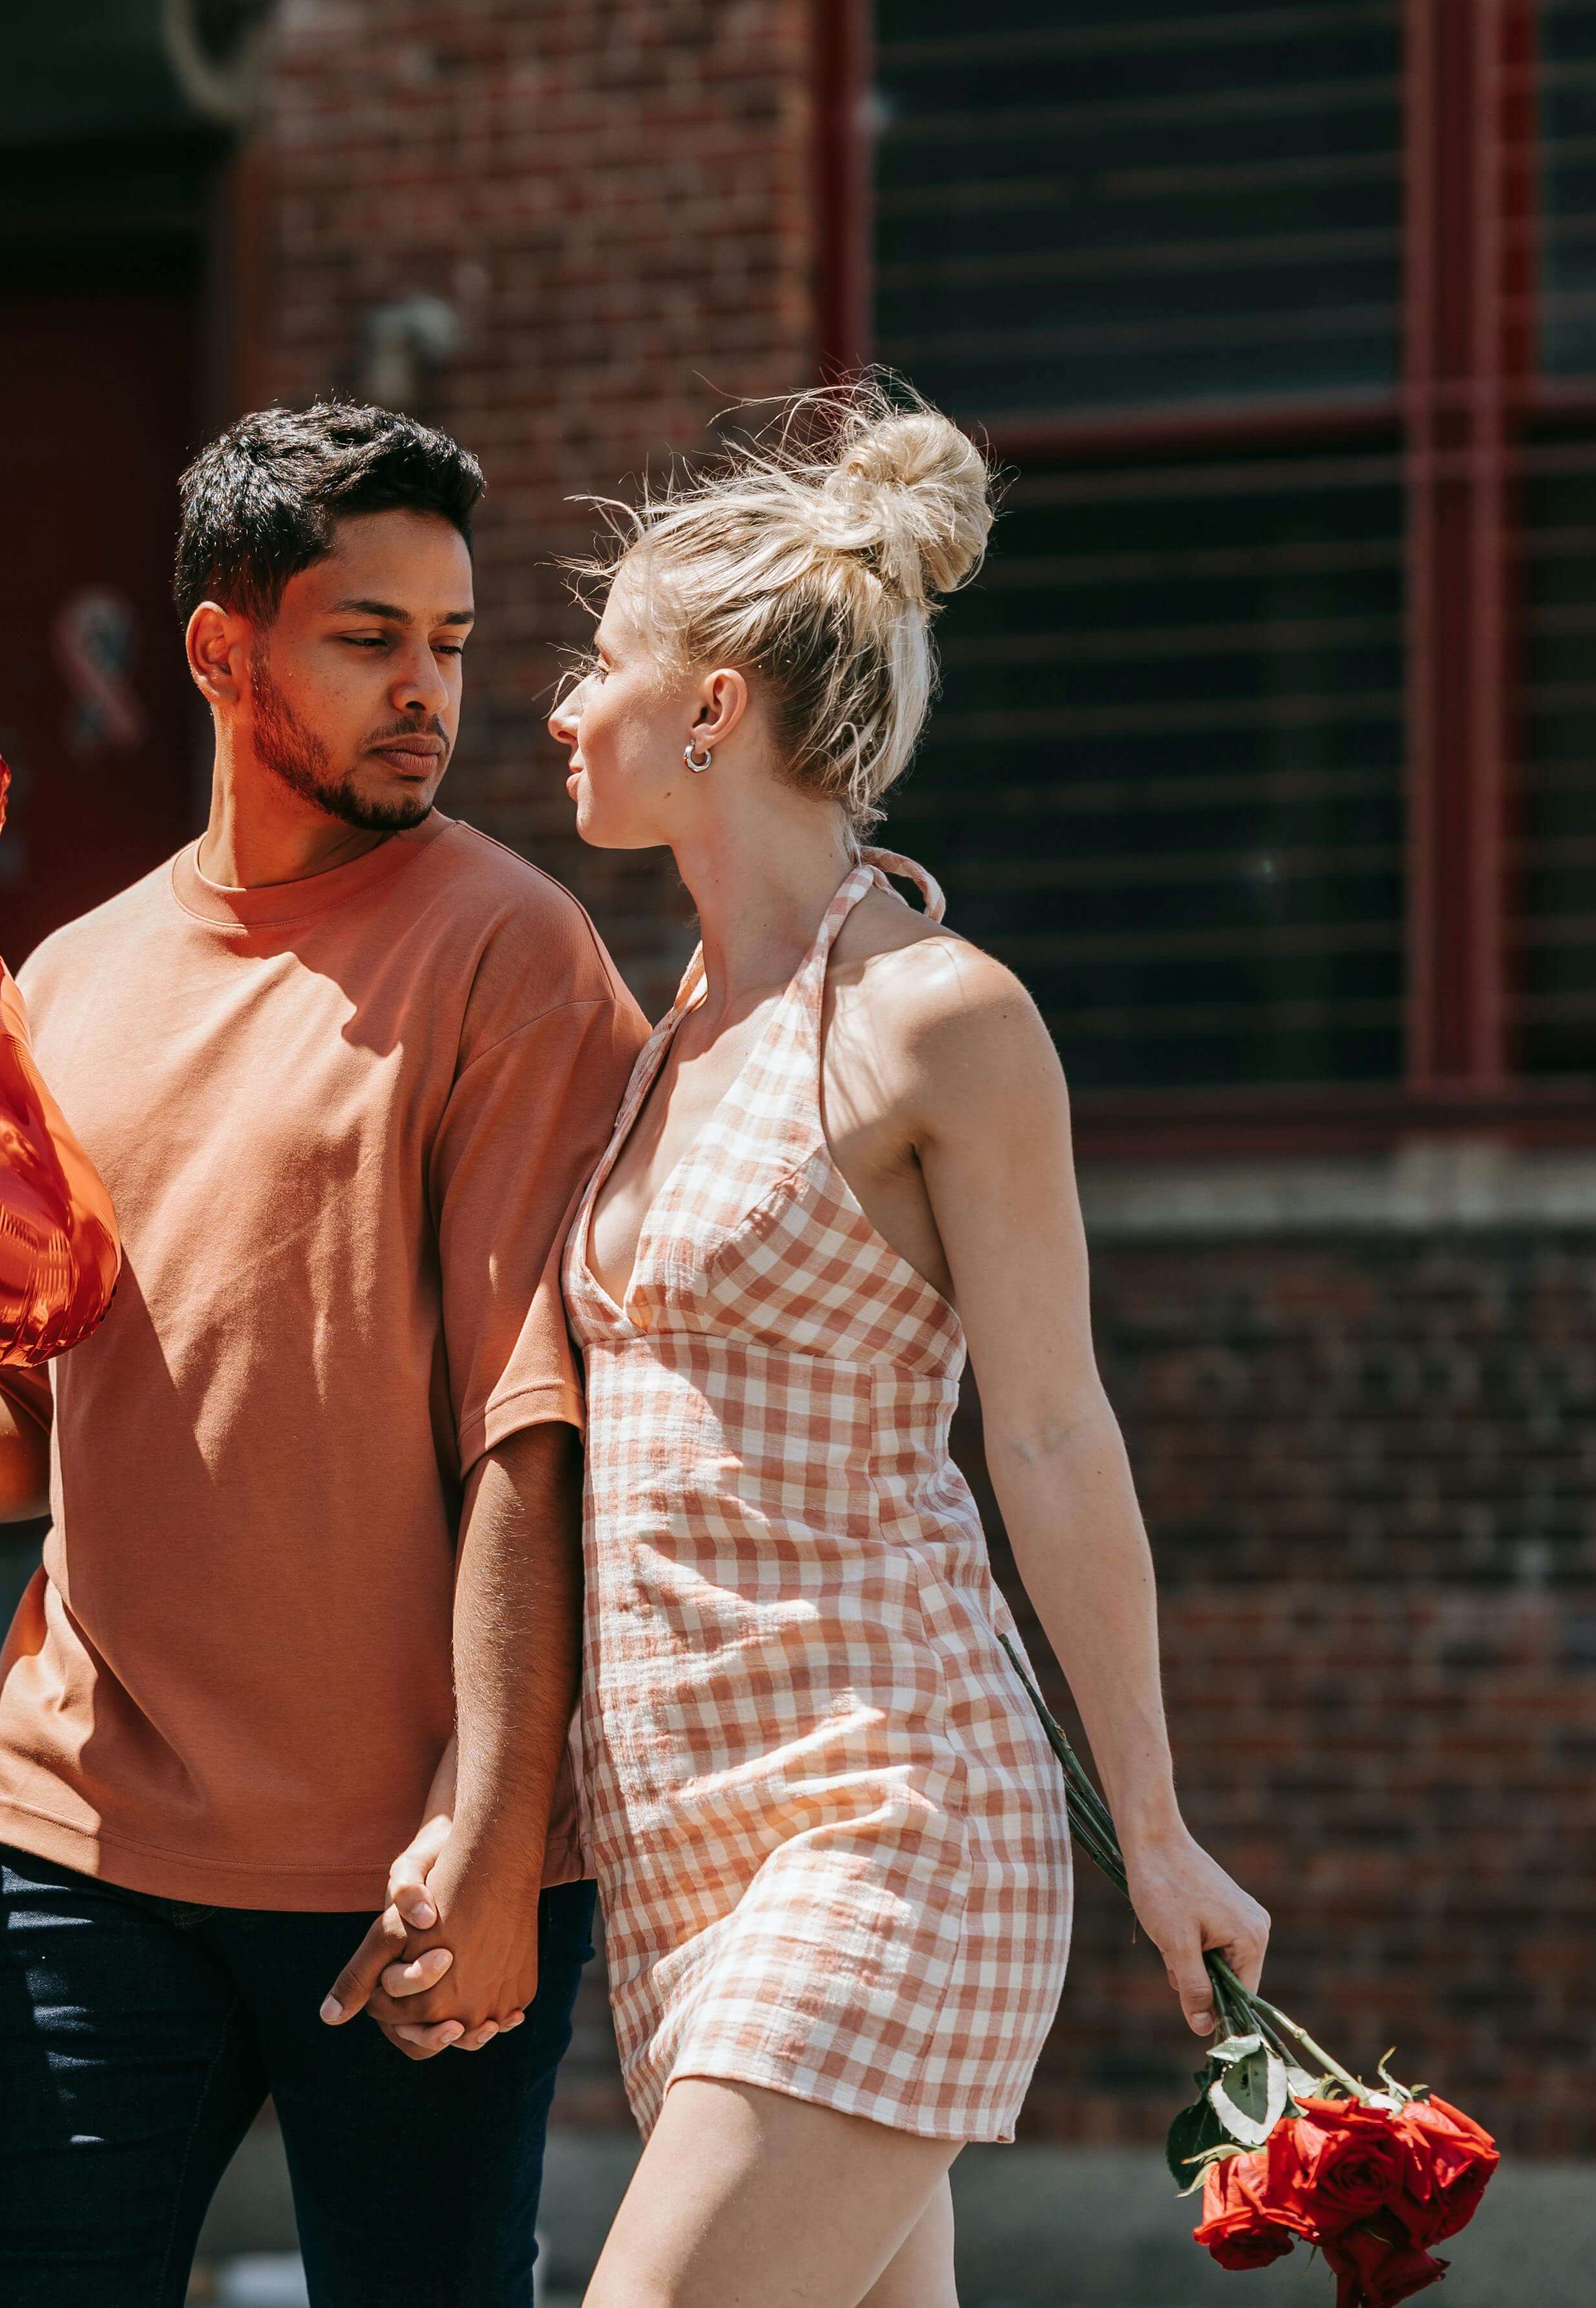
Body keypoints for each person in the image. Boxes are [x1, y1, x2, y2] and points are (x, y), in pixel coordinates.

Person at [0, 398, 648, 2308]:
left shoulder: (513, 958)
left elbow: (537, 1427)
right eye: (369, 640)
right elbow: (36, 1421)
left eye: (449, 643)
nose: (427, 692)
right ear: (220, 647)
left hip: (416, 1874)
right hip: (77, 1836)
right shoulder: (67, 983)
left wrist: (504, 1829)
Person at [539, 386, 1271, 2308]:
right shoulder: (668, 1033)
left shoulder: (939, 1018)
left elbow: (1047, 1435)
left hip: (890, 1812)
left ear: (710, 709)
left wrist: (1164, 1831)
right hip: (686, 1835)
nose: (558, 709)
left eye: (597, 665)